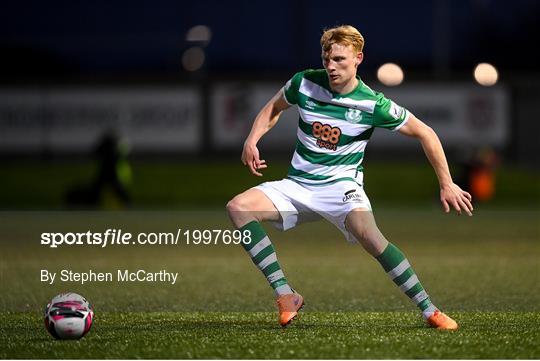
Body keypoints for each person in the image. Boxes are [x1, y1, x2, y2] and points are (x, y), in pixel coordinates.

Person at [226, 25, 473, 329]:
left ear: (358, 58)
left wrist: (446, 183)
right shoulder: (304, 83)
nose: (331, 66)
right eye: (327, 59)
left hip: (342, 188)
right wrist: (252, 139)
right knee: (239, 208)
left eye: (340, 60)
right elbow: (272, 108)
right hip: (298, 185)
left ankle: (429, 309)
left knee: (370, 237)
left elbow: (426, 132)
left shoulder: (372, 103)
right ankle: (285, 294)